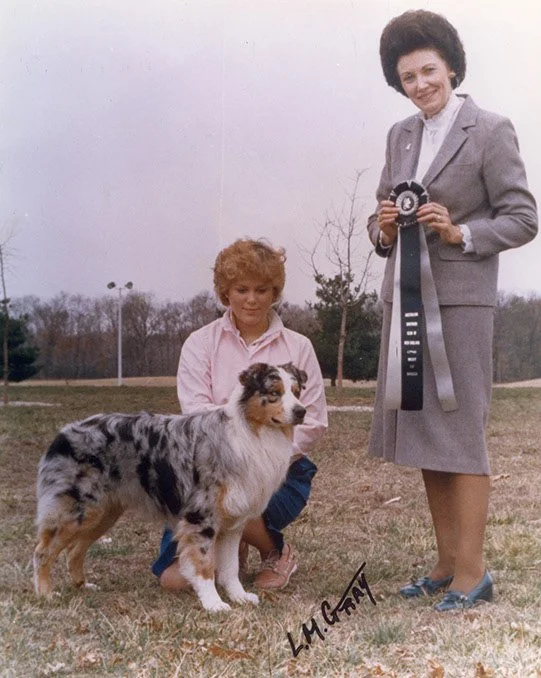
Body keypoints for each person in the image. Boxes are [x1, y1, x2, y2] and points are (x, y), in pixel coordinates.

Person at [367, 10, 537, 611]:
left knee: (460, 436)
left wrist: (459, 232)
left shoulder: (490, 129)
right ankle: (444, 564)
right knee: (425, 432)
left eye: (428, 70)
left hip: (460, 307)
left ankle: (473, 574)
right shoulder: (399, 135)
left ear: (452, 67)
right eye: (407, 76)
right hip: (406, 303)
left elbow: (523, 218)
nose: (420, 84)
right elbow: (380, 219)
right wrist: (384, 228)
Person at [152, 238, 328, 591]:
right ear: (225, 292)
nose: (252, 299)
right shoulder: (200, 343)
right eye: (241, 289)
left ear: (274, 292)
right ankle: (229, 547)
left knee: (238, 496)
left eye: (262, 289)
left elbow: (314, 421)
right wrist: (240, 453)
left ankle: (275, 552)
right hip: (210, 470)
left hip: (282, 471)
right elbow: (196, 417)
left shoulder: (298, 347)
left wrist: (261, 458)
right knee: (174, 581)